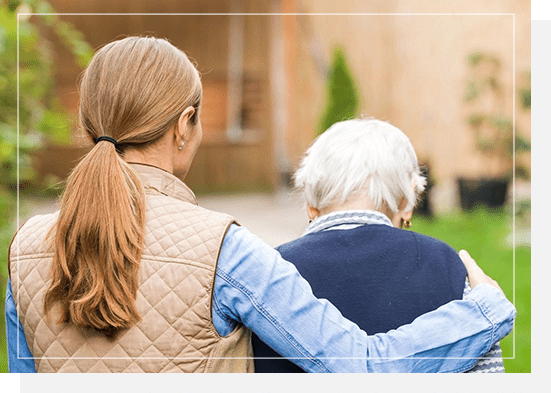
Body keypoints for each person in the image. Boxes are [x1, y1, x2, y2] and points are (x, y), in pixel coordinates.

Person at [6, 36, 515, 373]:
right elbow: (364, 367)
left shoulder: (23, 249)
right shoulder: (224, 249)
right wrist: (484, 312)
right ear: (185, 125)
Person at [252, 119, 506, 373]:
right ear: (407, 203)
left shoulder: (268, 271)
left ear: (310, 204)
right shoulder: (446, 264)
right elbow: (488, 373)